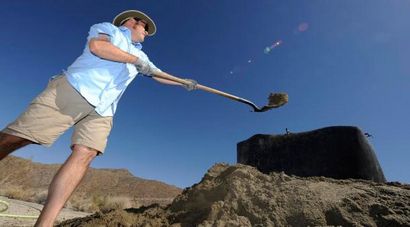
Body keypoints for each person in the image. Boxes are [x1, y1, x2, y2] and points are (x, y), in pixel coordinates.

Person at [0, 10, 197, 227]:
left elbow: (157, 74)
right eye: (145, 28)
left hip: (104, 110)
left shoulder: (143, 56)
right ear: (132, 22)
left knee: (86, 153)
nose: (147, 33)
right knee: (19, 137)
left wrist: (183, 82)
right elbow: (98, 47)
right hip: (75, 90)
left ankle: (44, 224)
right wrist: (136, 61)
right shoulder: (109, 29)